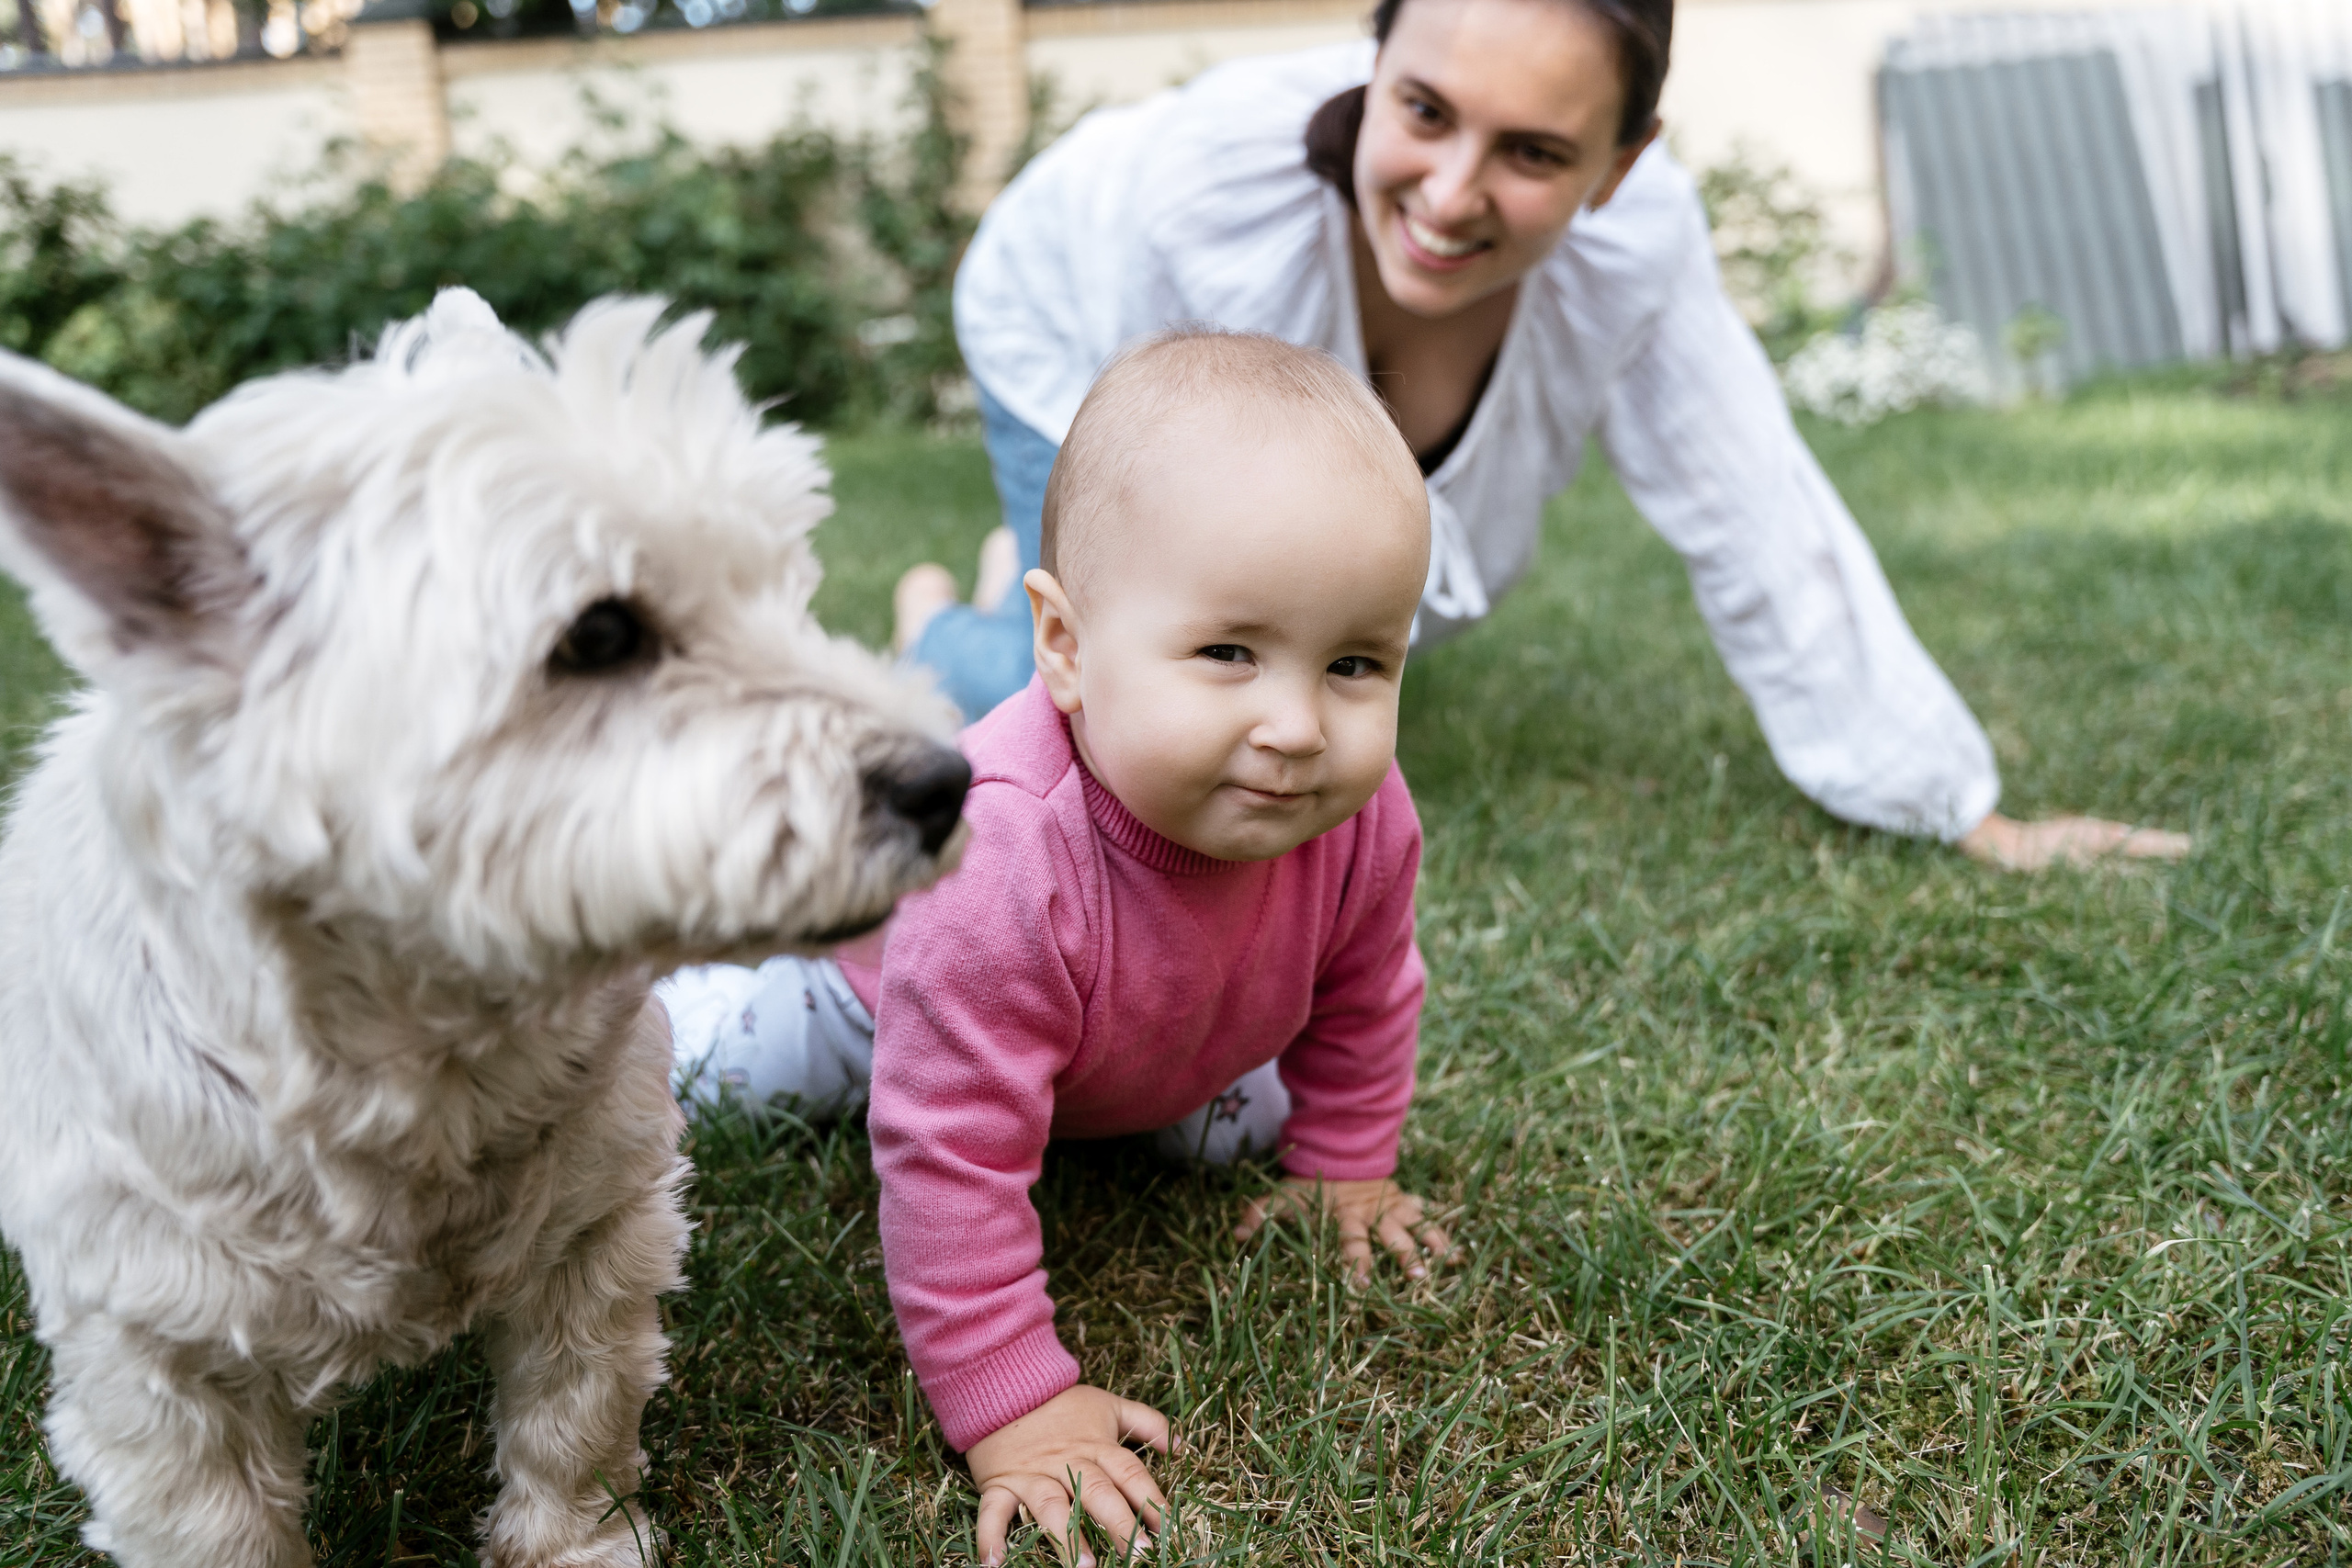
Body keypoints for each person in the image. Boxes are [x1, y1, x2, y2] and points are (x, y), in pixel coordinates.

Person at [898, 0, 2189, 872]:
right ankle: (943, 632)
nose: (1451, 197)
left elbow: (1757, 510)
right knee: (1088, 699)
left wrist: (1957, 806)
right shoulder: (1201, 204)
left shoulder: (1641, 243)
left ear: (1619, 167)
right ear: (1377, 58)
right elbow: (1188, 525)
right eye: (1423, 113)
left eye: (1530, 151)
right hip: (1067, 313)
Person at [664, 329, 1449, 1564]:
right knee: (715, 1069)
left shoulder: (1360, 817)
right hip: (874, 1012)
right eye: (1230, 653)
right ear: (1068, 648)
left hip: (1135, 1047)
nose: (1298, 726)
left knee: (1251, 1126)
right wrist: (1016, 1405)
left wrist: (1347, 1161)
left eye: (1356, 663)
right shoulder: (1002, 855)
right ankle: (707, 977)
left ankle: (948, 616)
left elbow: (1366, 993)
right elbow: (952, 1149)